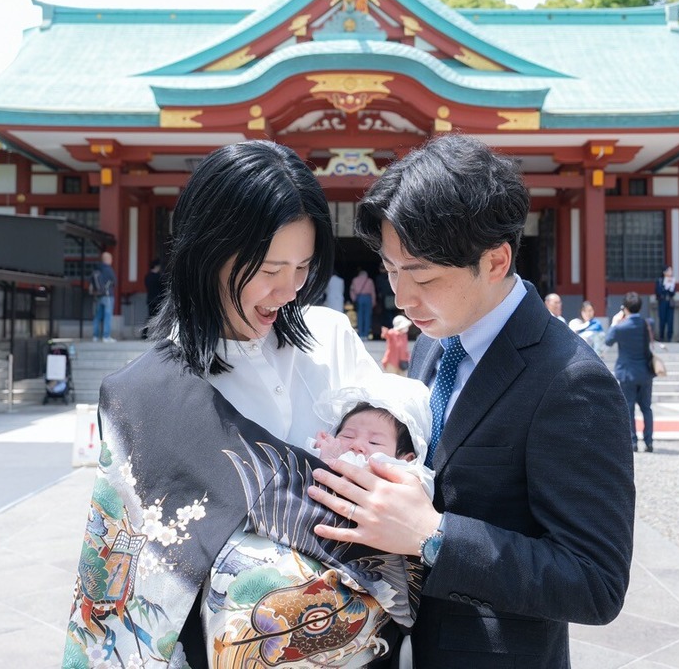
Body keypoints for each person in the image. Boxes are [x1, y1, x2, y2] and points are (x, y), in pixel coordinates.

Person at [63, 140, 416, 669]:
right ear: (209, 252)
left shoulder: (332, 339)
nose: (289, 290)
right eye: (269, 268)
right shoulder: (149, 395)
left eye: (303, 267)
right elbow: (135, 579)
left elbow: (402, 463)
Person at [306, 134, 635, 668]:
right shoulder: (436, 343)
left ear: (497, 260)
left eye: (424, 276)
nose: (402, 298)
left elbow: (596, 583)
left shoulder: (571, 381)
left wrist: (433, 536)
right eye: (391, 270)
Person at [605, 292, 657, 453]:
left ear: (625, 308)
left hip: (628, 373)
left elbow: (608, 341)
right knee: (646, 408)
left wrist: (614, 322)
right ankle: (649, 441)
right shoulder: (647, 323)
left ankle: (632, 441)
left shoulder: (621, 327)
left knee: (629, 408)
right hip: (645, 372)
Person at [90, 251, 117, 343]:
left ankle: (95, 336)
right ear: (108, 259)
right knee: (108, 316)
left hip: (98, 296)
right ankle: (106, 336)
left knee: (97, 316)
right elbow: (114, 281)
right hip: (108, 296)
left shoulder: (97, 269)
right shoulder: (108, 269)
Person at [349, 268, 375, 340]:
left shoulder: (355, 280)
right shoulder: (370, 281)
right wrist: (373, 302)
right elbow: (373, 292)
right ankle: (365, 335)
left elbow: (352, 290)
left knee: (359, 316)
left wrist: (354, 299)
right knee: (367, 317)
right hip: (368, 298)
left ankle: (360, 334)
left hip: (359, 298)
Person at [142, 258, 163, 339]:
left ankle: (144, 333)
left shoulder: (147, 276)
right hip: (158, 300)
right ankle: (159, 334)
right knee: (159, 317)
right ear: (156, 266)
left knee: (150, 317)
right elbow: (162, 288)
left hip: (150, 298)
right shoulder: (158, 277)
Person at [655, 266, 677, 342]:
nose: (671, 272)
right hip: (663, 301)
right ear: (664, 272)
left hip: (670, 301)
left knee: (670, 319)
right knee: (662, 319)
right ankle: (661, 336)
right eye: (669, 270)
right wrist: (665, 288)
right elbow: (658, 291)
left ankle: (669, 337)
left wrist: (670, 289)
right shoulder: (660, 280)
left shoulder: (673, 280)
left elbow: (673, 292)